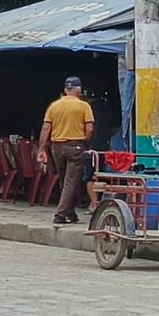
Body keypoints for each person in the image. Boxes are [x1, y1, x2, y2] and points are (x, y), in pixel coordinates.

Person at [37, 76, 95, 225]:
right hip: (75, 145)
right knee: (70, 182)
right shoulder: (84, 106)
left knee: (65, 180)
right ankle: (60, 215)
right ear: (79, 90)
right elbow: (89, 128)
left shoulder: (54, 106)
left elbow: (46, 128)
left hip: (57, 147)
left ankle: (71, 213)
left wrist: (41, 149)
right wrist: (84, 140)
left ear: (65, 90)